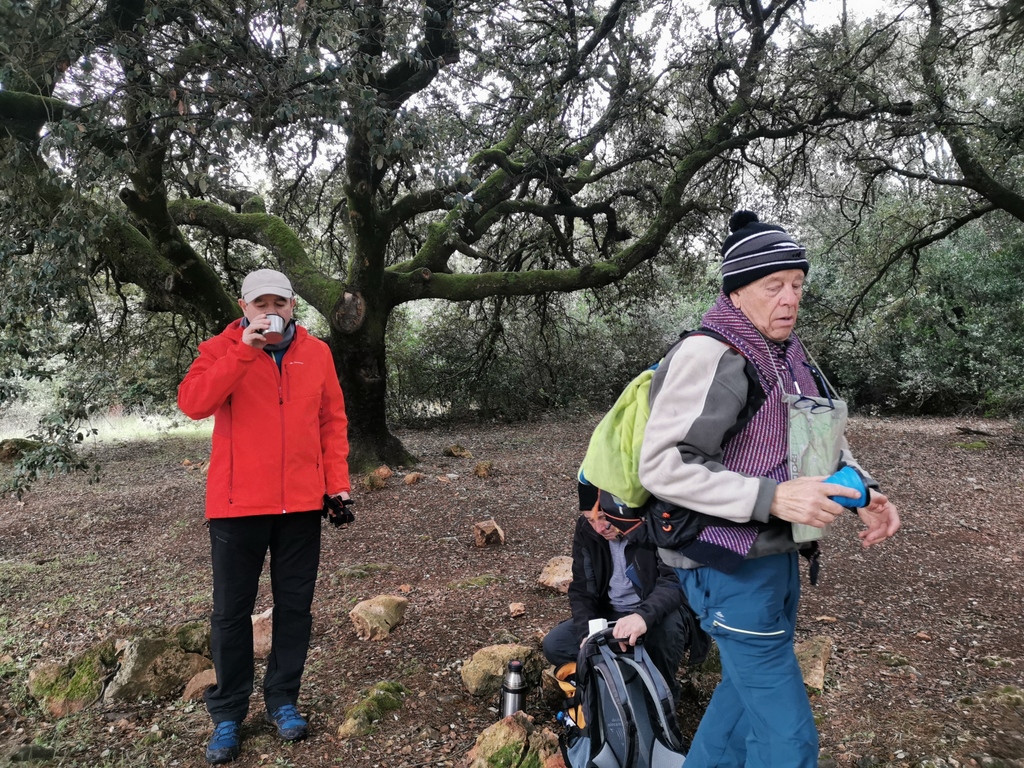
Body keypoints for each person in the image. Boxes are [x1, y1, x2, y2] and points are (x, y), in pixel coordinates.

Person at [638, 210, 901, 768]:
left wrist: (862, 490)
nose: (789, 299)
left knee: (739, 710)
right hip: (724, 565)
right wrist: (772, 497)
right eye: (773, 286)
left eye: (797, 286)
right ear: (735, 293)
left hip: (774, 556)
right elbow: (660, 466)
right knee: (790, 742)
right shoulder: (711, 356)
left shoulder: (788, 354)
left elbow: (817, 436)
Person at [178, 268, 351, 765]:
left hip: (300, 504)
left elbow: (331, 421)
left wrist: (336, 485)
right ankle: (228, 713)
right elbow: (193, 403)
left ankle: (282, 700)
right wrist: (243, 351)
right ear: (244, 306)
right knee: (231, 613)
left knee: (295, 608)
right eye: (260, 303)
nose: (270, 311)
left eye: (279, 302)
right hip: (237, 507)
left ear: (293, 306)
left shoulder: (317, 353)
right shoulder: (220, 349)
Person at [542, 484, 703, 697]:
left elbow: (675, 581)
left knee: (664, 634)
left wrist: (642, 617)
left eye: (603, 517)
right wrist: (585, 634)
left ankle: (660, 698)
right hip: (611, 613)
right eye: (591, 520)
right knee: (556, 644)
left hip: (660, 612)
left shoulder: (653, 522)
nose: (599, 528)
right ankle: (617, 681)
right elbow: (582, 589)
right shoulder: (587, 530)